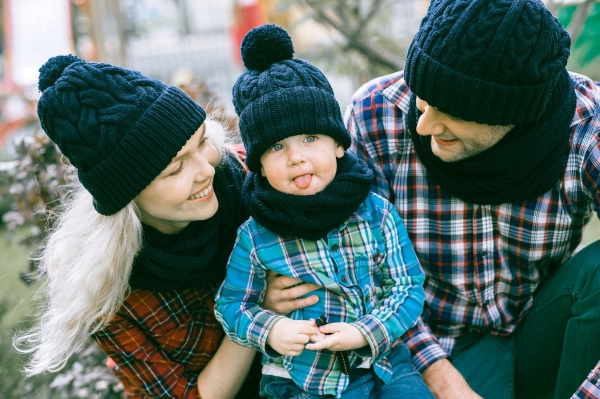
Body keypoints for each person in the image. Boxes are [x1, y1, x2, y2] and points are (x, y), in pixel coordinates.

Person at [343, 0, 600, 398]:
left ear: (510, 111)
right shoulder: (376, 114)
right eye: (422, 98)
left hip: (537, 324)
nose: (424, 124)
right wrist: (447, 386)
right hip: (428, 341)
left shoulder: (587, 123)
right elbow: (365, 274)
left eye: (449, 109)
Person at [11, 54, 299, 399]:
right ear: (128, 196)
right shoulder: (110, 290)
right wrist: (258, 313)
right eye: (176, 169)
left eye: (201, 143)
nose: (206, 171)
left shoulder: (254, 180)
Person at [214, 24, 433, 399]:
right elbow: (232, 305)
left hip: (380, 362)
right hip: (300, 379)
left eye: (310, 138)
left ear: (337, 145)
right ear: (260, 166)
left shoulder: (375, 213)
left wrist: (366, 331)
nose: (297, 156)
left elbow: (407, 286)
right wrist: (271, 330)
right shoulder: (255, 234)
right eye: (277, 146)